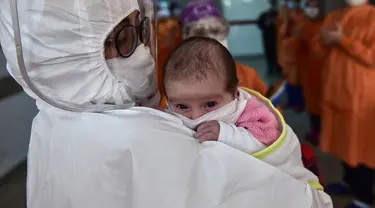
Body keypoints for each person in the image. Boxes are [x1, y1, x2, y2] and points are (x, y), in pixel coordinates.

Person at [0, 0, 333, 207]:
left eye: (142, 32)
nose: (145, 53)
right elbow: (308, 201)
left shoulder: (49, 126)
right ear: (80, 54)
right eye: (128, 39)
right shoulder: (146, 137)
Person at [163, 36, 324, 188]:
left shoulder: (254, 112)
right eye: (182, 107)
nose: (196, 117)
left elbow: (266, 141)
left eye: (210, 104)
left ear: (234, 93)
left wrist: (226, 134)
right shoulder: (168, 116)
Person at [312, 1, 375, 207]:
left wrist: (343, 40)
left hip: (360, 96)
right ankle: (350, 183)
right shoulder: (334, 16)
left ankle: (365, 197)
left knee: (361, 147)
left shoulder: (372, 17)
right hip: (334, 94)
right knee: (341, 144)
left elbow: (371, 57)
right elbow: (318, 52)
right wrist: (325, 41)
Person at [179, 0, 267, 95]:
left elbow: (271, 108)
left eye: (216, 31)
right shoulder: (175, 82)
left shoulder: (247, 75)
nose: (212, 40)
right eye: (200, 33)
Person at [282, 0, 325, 145]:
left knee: (324, 104)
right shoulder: (302, 26)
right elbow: (290, 49)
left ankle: (324, 133)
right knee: (312, 104)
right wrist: (297, 37)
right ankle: (316, 131)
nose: (312, 10)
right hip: (307, 73)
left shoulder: (326, 26)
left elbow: (321, 52)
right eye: (309, 6)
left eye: (315, 6)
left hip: (326, 74)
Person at [257, 0, 281, 75]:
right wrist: (267, 23)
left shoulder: (280, 14)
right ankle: (270, 69)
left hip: (278, 39)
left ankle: (279, 69)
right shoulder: (264, 15)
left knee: (278, 54)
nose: (272, 5)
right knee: (269, 54)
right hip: (267, 39)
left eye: (274, 3)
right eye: (271, 3)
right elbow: (260, 24)